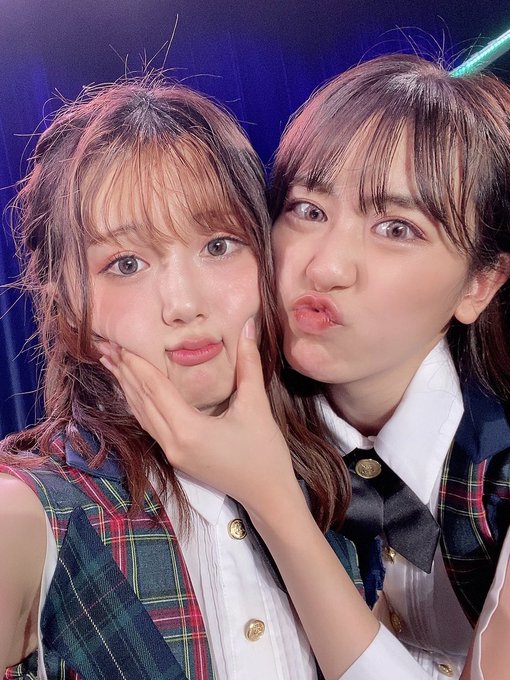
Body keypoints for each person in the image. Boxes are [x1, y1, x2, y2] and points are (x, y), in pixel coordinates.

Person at [99, 55, 510, 680]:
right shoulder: (220, 422)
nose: (326, 267)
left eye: (397, 228)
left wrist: (275, 503)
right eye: (309, 210)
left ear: (479, 284)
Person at [0, 76, 372, 680]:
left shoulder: (340, 484)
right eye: (126, 263)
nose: (184, 303)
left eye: (219, 245)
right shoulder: (32, 518)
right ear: (68, 306)